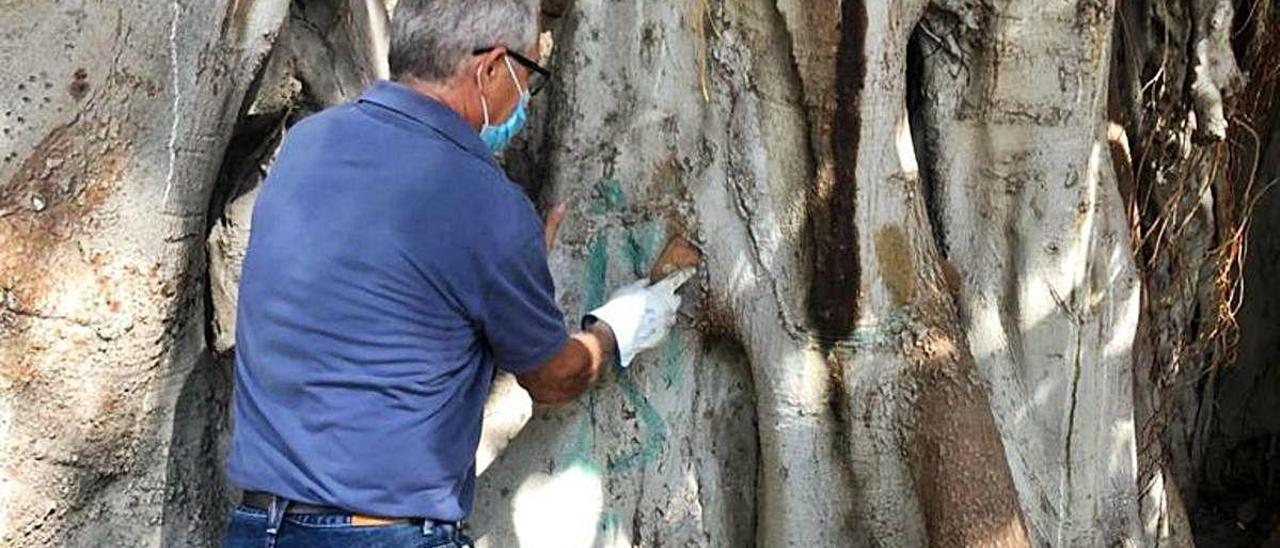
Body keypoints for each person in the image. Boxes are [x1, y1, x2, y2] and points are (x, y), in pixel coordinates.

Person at [221, 1, 691, 546]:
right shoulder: (485, 201)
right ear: (491, 67)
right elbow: (551, 378)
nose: (525, 102)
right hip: (383, 533)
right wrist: (619, 328)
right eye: (528, 77)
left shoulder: (307, 144)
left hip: (260, 526)